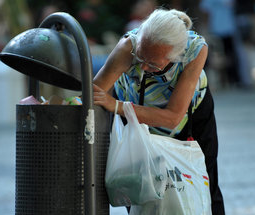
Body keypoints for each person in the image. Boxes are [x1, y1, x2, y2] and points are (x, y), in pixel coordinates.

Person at [93, 8, 225, 214]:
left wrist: (117, 106)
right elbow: (95, 94)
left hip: (189, 114)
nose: (144, 67)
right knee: (136, 181)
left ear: (176, 55)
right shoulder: (128, 46)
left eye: (153, 64)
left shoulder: (195, 49)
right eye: (141, 57)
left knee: (204, 178)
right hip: (134, 112)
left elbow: (172, 117)